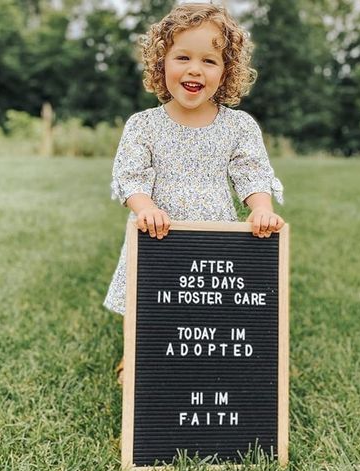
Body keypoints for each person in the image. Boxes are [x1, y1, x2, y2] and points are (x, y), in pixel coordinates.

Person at [103, 3, 285, 384]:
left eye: (209, 60)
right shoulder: (144, 126)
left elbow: (251, 172)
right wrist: (144, 206)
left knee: (207, 309)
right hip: (157, 233)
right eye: (182, 57)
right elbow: (130, 176)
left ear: (227, 70)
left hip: (213, 235)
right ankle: (134, 361)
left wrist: (261, 208)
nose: (194, 69)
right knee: (148, 307)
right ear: (161, 63)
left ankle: (205, 366)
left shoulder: (238, 126)